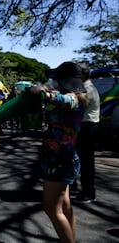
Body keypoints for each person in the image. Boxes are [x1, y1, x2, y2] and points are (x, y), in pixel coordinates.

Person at [30, 61, 88, 243]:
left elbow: (59, 99)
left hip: (60, 161)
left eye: (56, 79)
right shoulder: (76, 96)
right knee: (65, 206)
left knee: (51, 208)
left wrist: (40, 90)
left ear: (64, 80)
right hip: (63, 159)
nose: (53, 81)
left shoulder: (72, 98)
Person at [73, 63, 100, 203]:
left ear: (82, 75)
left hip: (87, 126)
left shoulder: (87, 89)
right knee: (83, 159)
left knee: (85, 162)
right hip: (89, 126)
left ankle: (88, 192)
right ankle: (81, 188)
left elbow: (76, 103)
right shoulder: (89, 87)